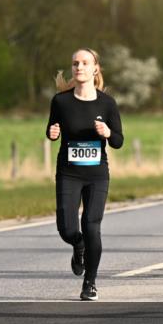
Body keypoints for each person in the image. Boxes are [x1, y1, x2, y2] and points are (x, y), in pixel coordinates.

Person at [47, 48, 123, 300]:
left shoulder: (107, 103)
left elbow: (119, 142)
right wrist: (52, 133)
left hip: (97, 175)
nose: (79, 67)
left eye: (85, 63)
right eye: (75, 63)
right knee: (67, 229)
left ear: (95, 69)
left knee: (92, 226)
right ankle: (77, 245)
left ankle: (90, 282)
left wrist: (108, 133)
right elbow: (52, 127)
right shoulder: (61, 101)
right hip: (68, 173)